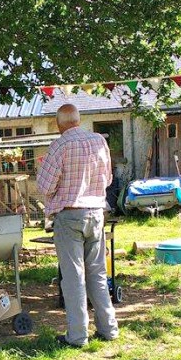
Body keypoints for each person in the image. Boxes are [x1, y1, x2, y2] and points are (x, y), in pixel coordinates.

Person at [36, 104, 119, 347]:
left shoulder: (59, 145)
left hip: (69, 214)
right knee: (98, 273)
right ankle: (109, 329)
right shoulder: (99, 141)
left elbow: (44, 186)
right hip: (96, 212)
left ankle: (78, 335)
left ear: (59, 124)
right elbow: (109, 179)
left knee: (73, 277)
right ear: (79, 120)